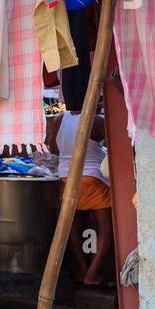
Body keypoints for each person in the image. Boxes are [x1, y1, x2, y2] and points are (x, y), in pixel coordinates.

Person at [48, 110, 113, 287]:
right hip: (92, 179)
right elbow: (115, 144)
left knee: (72, 228)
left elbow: (54, 149)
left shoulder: (58, 120)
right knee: (106, 229)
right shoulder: (97, 119)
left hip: (67, 178)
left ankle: (82, 270)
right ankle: (92, 274)